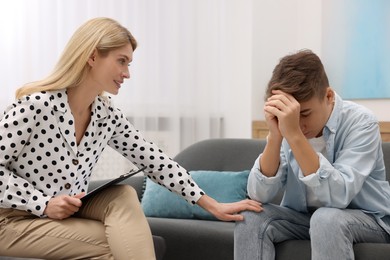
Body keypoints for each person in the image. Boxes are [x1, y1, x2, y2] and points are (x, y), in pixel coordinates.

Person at [0, 17, 261, 260]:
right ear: (92, 56)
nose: (127, 73)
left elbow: (155, 161)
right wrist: (42, 203)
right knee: (124, 245)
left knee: (123, 195)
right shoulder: (36, 107)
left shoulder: (106, 113)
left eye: (128, 64)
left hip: (67, 210)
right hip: (12, 220)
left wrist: (211, 205)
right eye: (121, 61)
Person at [234, 49, 390, 260]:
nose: (298, 124)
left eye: (305, 114)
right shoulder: (287, 124)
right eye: (291, 117)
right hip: (305, 217)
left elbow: (338, 196)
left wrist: (295, 136)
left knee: (326, 218)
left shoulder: (362, 122)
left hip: (370, 220)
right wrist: (275, 136)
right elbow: (259, 194)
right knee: (250, 217)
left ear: (328, 96)